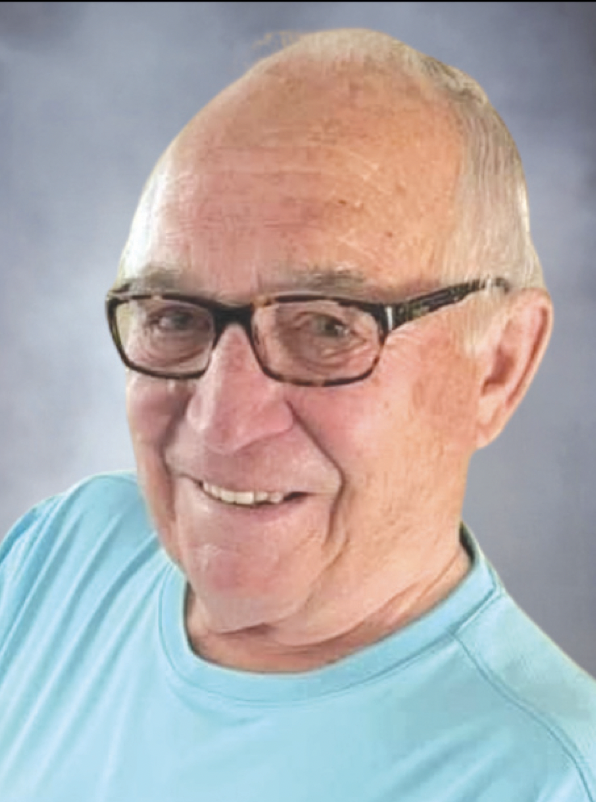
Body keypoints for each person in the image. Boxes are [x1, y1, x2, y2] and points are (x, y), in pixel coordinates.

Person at [1, 27, 595, 802]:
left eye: (326, 328)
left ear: (498, 367)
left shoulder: (544, 779)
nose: (221, 424)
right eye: (175, 315)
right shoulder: (62, 555)